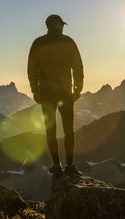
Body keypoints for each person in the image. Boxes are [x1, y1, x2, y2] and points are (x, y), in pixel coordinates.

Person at [27, 14, 84, 176]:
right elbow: (77, 66)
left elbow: (32, 69)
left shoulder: (38, 43)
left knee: (50, 130)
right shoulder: (68, 42)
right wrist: (78, 87)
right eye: (61, 24)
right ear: (57, 25)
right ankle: (70, 165)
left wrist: (35, 90)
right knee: (68, 130)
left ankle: (56, 165)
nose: (63, 27)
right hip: (65, 93)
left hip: (45, 94)